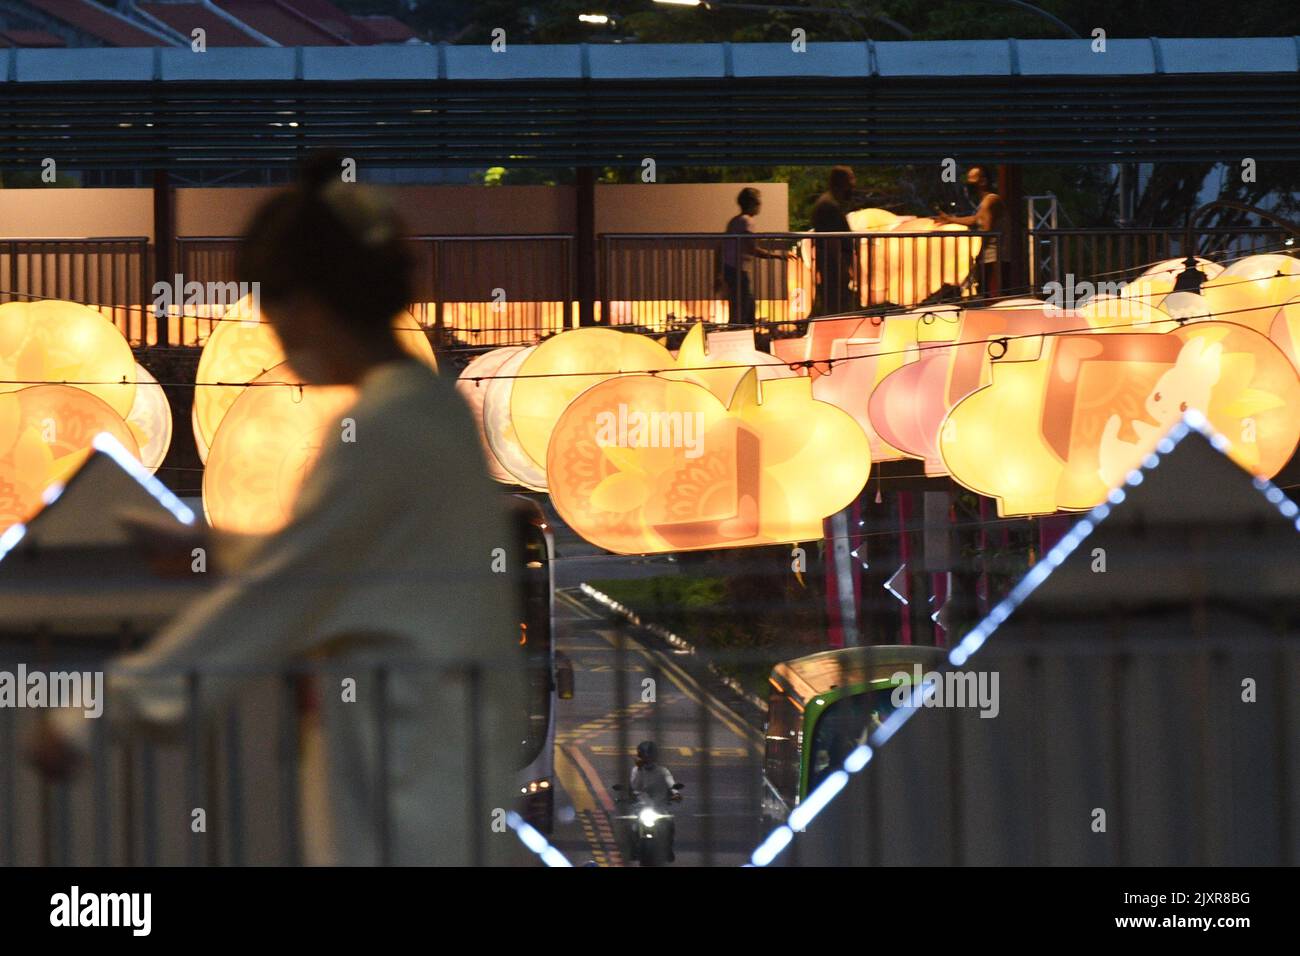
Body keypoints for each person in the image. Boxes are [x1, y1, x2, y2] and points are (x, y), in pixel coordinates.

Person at [29, 152, 526, 867]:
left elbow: (276, 601)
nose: (274, 335)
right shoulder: (432, 412)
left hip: (406, 791)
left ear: (309, 305)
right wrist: (211, 546)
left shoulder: (383, 432)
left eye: (270, 306)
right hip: (443, 775)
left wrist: (90, 715)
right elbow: (337, 565)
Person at [936, 166, 1010, 298]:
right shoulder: (985, 202)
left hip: (995, 256)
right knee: (985, 292)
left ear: (982, 181)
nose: (969, 184)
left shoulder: (990, 201)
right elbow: (975, 219)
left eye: (972, 179)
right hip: (989, 255)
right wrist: (950, 219)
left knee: (995, 295)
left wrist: (979, 252)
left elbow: (987, 230)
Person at [721, 187, 789, 325]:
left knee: (739, 306)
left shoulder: (734, 221)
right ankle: (741, 335)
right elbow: (751, 247)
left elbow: (721, 247)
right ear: (752, 203)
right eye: (758, 202)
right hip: (738, 270)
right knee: (746, 308)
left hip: (729, 268)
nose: (760, 205)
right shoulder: (747, 221)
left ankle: (737, 333)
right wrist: (776, 256)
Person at [810, 165, 858, 315]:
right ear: (842, 183)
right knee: (836, 308)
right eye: (851, 179)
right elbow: (832, 241)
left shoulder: (830, 204)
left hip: (833, 268)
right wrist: (842, 269)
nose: (854, 184)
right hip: (833, 269)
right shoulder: (829, 206)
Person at [630, 739, 680, 860]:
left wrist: (676, 793)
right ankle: (633, 849)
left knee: (669, 824)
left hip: (659, 807)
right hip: (641, 806)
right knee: (631, 827)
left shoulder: (663, 771)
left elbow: (670, 783)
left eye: (650, 756)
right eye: (644, 756)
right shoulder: (636, 771)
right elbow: (634, 786)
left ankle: (668, 849)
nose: (647, 759)